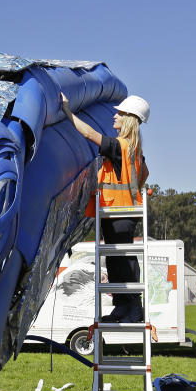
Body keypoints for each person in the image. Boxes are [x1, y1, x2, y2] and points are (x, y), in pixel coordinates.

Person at [60, 93, 150, 322]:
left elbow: (90, 134)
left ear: (129, 119)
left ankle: (131, 309)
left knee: (122, 261)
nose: (115, 115)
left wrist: (67, 112)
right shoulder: (135, 150)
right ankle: (125, 307)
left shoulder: (121, 146)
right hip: (120, 213)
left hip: (118, 212)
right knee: (117, 260)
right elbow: (143, 175)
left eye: (120, 113)